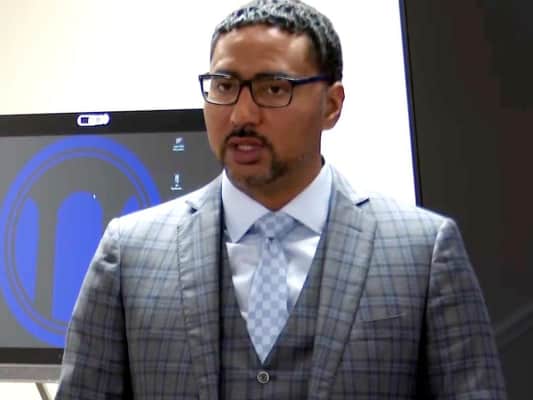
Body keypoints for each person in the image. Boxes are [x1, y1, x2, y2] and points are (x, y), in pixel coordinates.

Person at [55, 0, 507, 398]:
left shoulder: (422, 251)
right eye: (224, 86)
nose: (242, 114)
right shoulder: (129, 253)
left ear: (331, 105)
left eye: (273, 88)